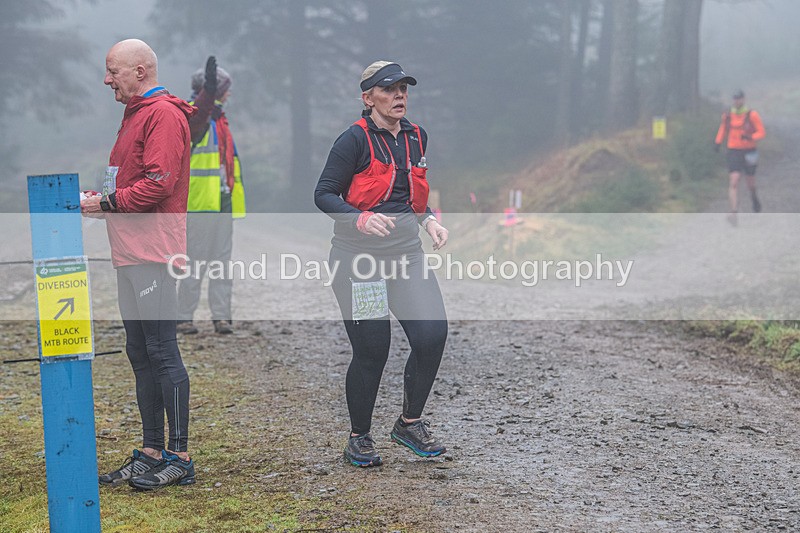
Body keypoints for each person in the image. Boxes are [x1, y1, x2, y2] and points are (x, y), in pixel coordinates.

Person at [314, 61, 450, 467]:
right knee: (373, 350)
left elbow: (410, 195)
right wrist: (359, 217)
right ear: (368, 97)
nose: (399, 96)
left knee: (432, 335)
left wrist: (429, 221)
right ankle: (359, 437)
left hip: (407, 257)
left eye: (403, 89)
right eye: (389, 90)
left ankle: (409, 423)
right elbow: (324, 194)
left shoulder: (416, 136)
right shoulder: (352, 141)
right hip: (360, 263)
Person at [81, 38, 196, 489]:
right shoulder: (134, 116)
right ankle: (151, 451)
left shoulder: (164, 114)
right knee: (139, 350)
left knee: (163, 350)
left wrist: (103, 204)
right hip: (129, 253)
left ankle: (180, 456)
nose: (106, 79)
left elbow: (159, 185)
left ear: (141, 71)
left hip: (156, 253)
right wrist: (98, 199)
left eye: (113, 71)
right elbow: (128, 180)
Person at [176, 56, 246, 335]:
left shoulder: (220, 119)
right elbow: (201, 113)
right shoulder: (195, 116)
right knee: (196, 262)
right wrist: (209, 90)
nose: (230, 93)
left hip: (223, 201)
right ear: (215, 91)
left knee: (221, 262)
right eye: (225, 88)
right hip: (199, 204)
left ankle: (221, 318)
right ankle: (183, 317)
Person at [714, 90, 766, 225]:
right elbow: (722, 129)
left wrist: (751, 137)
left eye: (739, 99)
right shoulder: (727, 116)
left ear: (744, 99)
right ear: (733, 100)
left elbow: (761, 132)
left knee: (750, 182)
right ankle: (733, 212)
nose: (737, 101)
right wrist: (718, 142)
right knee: (734, 180)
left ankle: (754, 197)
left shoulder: (752, 115)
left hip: (749, 151)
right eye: (735, 99)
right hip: (734, 151)